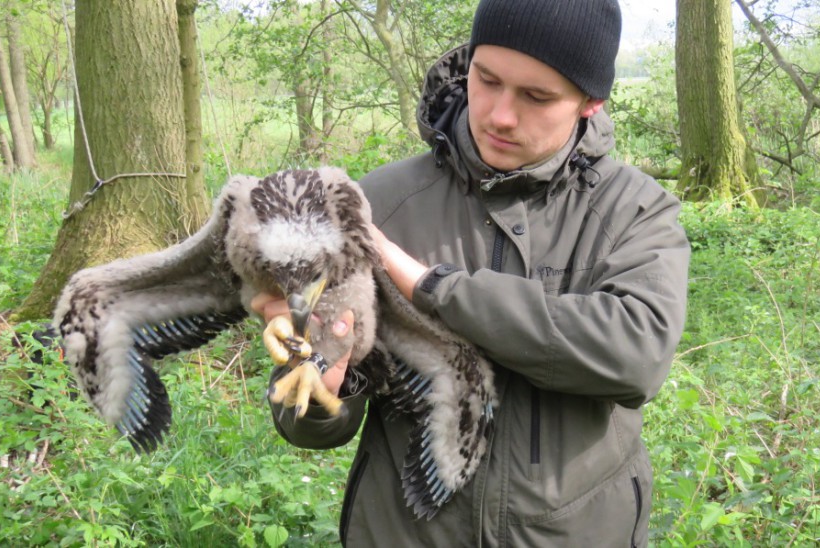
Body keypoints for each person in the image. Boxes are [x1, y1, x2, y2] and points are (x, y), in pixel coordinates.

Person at [253, 0, 690, 545]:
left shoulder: (634, 212)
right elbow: (305, 418)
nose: (501, 115)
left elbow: (636, 356)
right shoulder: (380, 205)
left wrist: (434, 288)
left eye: (537, 97)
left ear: (590, 102)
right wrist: (319, 387)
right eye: (486, 79)